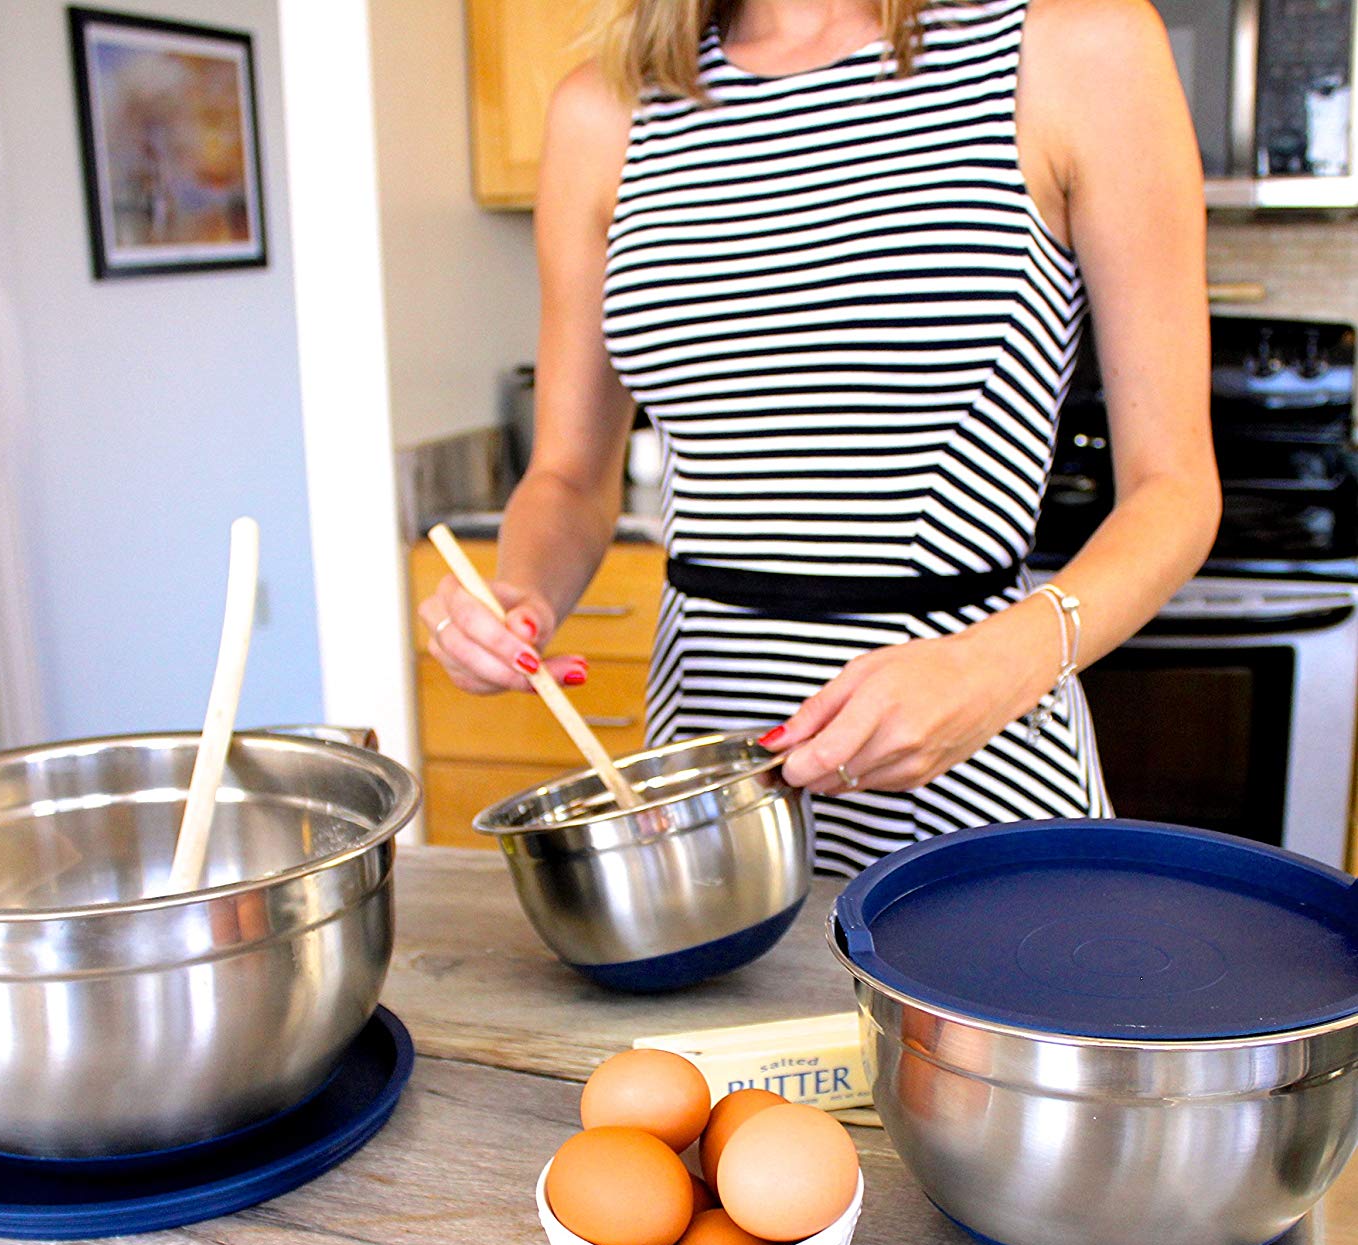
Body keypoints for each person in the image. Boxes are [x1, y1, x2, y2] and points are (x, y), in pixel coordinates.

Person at [419, 0, 1220, 876]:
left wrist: (993, 670)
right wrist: (519, 599)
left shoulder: (1073, 49)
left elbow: (1175, 490)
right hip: (709, 798)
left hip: (977, 776)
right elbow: (569, 474)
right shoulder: (608, 110)